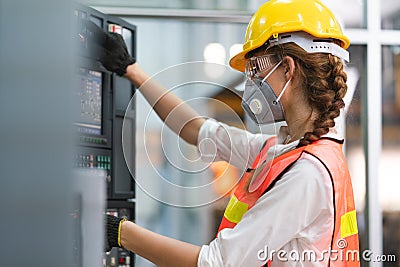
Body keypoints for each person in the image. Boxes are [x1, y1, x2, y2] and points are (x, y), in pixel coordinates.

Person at [89, 0, 360, 266]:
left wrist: (119, 232)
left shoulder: (306, 173)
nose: (250, 81)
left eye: (255, 69)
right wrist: (131, 70)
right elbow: (196, 130)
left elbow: (217, 262)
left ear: (287, 68)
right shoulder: (281, 151)